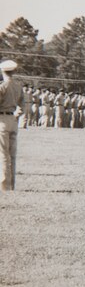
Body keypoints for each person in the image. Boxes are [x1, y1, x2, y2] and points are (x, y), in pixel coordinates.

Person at [0, 60, 25, 191]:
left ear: (2, 71)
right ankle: (12, 184)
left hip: (2, 119)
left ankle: (4, 185)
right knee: (12, 154)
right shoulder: (18, 86)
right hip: (13, 120)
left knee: (3, 153)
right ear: (14, 71)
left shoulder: (2, 87)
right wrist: (16, 115)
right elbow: (22, 105)